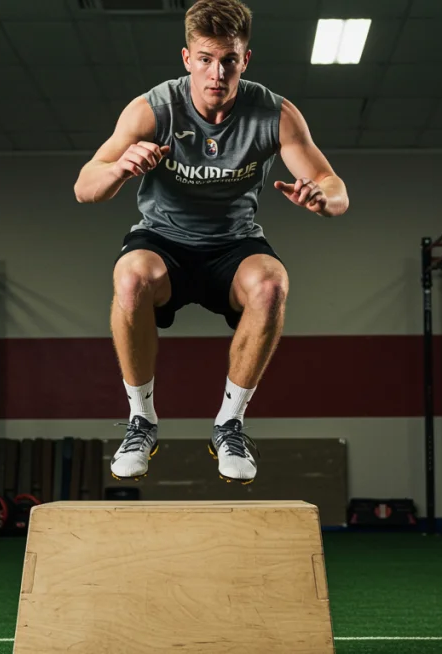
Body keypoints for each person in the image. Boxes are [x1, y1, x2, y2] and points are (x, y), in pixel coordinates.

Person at [73, 0, 348, 485]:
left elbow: (335, 187)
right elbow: (84, 187)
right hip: (163, 240)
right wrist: (120, 168)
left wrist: (322, 199)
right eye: (205, 59)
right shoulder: (153, 108)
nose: (216, 73)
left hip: (233, 245)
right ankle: (141, 421)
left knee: (272, 285)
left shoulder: (275, 113)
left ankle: (230, 425)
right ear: (187, 59)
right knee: (130, 279)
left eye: (228, 60)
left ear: (246, 60)